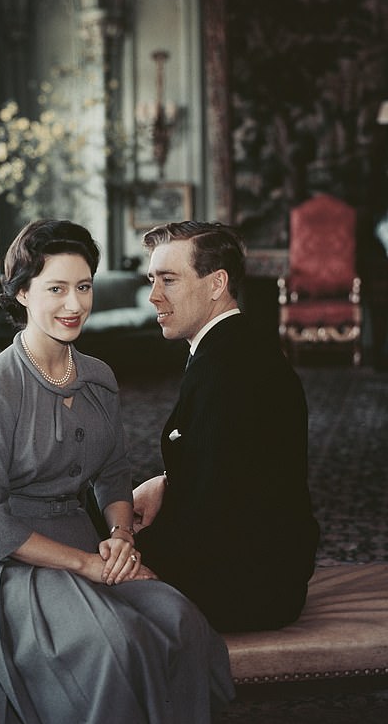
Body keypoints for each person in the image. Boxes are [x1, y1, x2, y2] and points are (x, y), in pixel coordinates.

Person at [0, 219, 235, 724]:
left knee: (179, 620)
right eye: (56, 289)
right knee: (108, 645)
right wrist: (87, 564)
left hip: (83, 542)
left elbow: (113, 475)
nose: (74, 305)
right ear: (23, 293)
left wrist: (119, 534)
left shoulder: (98, 378)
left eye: (84, 286)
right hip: (6, 565)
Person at [133, 221, 320, 633]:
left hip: (248, 586)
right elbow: (235, 471)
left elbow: (214, 516)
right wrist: (166, 482)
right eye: (152, 279)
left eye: (169, 280)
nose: (153, 296)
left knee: (76, 589)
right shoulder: (234, 346)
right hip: (255, 565)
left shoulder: (227, 369)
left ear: (216, 283)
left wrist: (130, 551)